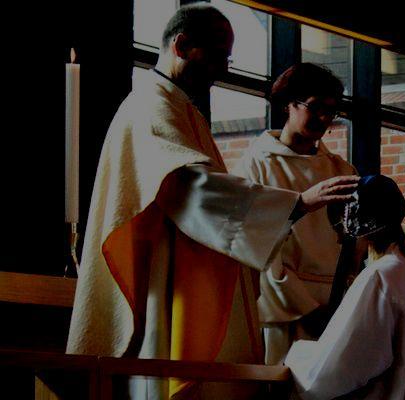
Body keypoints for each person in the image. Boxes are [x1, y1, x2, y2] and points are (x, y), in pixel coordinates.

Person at [65, 4, 358, 399]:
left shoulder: (180, 107)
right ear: (182, 45)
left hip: (192, 272)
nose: (222, 69)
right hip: (165, 276)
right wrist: (298, 203)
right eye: (218, 56)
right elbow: (192, 187)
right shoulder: (152, 107)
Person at [284, 175, 405, 400]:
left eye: (340, 228)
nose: (339, 240)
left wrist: (295, 354)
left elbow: (330, 374)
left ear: (358, 226)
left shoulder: (378, 277)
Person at [234, 62, 359, 366]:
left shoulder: (342, 169)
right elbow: (254, 245)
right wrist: (305, 308)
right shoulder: (255, 166)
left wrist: (345, 304)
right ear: (288, 104)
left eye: (331, 111)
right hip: (284, 307)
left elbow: (354, 245)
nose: (323, 118)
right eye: (315, 107)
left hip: (337, 308)